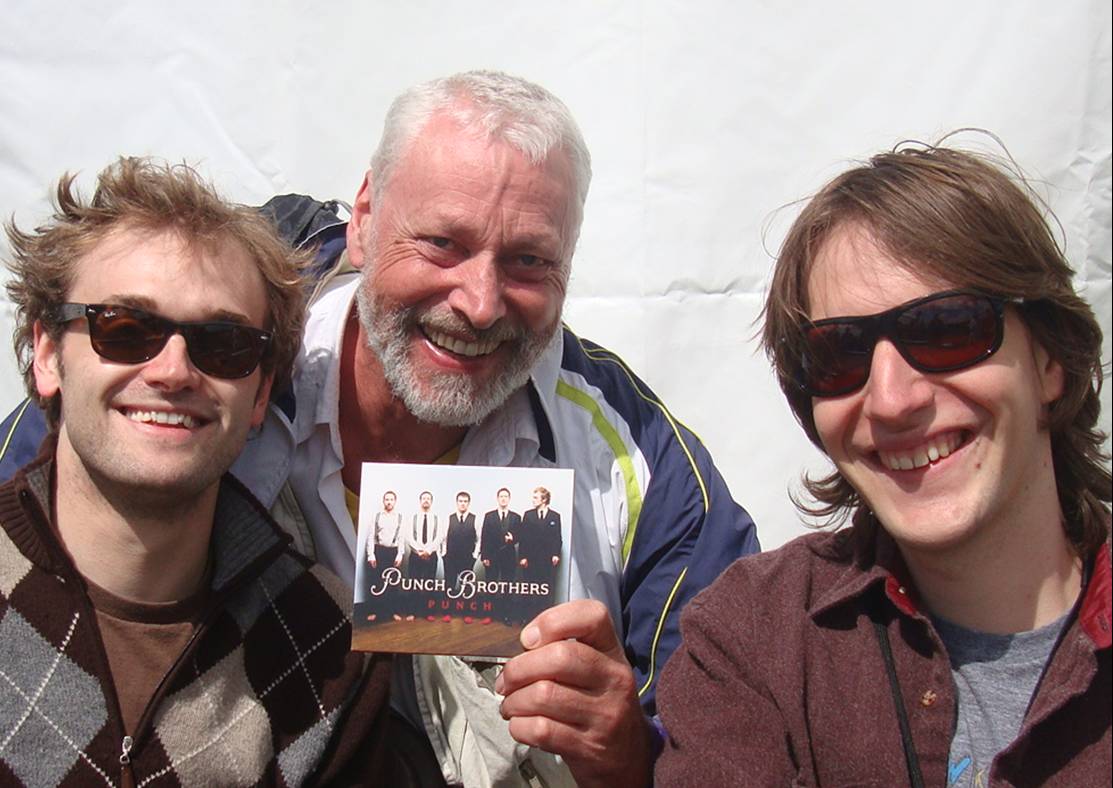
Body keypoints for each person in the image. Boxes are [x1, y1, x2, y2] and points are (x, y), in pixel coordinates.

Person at [0, 70, 760, 787]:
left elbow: (736, 742)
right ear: (363, 217)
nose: (480, 303)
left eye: (528, 260)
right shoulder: (220, 361)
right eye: (442, 244)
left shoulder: (636, 458)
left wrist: (629, 753)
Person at [656, 143, 1111, 786]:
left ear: (1050, 362)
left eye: (946, 327)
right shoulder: (751, 638)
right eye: (839, 352)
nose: (893, 400)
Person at [0, 158, 393, 786]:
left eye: (223, 345)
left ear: (262, 391)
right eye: (125, 329)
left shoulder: (332, 652)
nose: (173, 371)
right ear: (48, 355)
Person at [480, 487, 520, 582]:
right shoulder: (489, 516)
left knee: (508, 585)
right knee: (490, 584)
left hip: (509, 556)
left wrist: (513, 538)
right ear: (497, 498)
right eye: (501, 496)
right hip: (492, 555)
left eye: (506, 496)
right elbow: (484, 536)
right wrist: (484, 556)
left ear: (509, 499)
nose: (503, 498)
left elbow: (520, 536)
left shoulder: (516, 517)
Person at [444, 491, 481, 590]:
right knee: (449, 587)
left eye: (465, 501)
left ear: (469, 503)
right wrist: (444, 554)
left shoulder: (475, 519)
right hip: (450, 558)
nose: (463, 503)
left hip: (467, 558)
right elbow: (444, 538)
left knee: (467, 588)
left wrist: (474, 556)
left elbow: (479, 540)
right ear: (457, 503)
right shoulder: (449, 518)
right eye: (460, 501)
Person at [407, 489, 444, 580]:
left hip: (431, 555)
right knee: (414, 584)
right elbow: (409, 536)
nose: (426, 500)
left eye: (428, 498)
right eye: (424, 498)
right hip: (415, 555)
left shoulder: (437, 518)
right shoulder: (413, 518)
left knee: (429, 585)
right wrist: (419, 550)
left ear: (431, 502)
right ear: (420, 501)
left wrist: (428, 551)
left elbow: (440, 536)